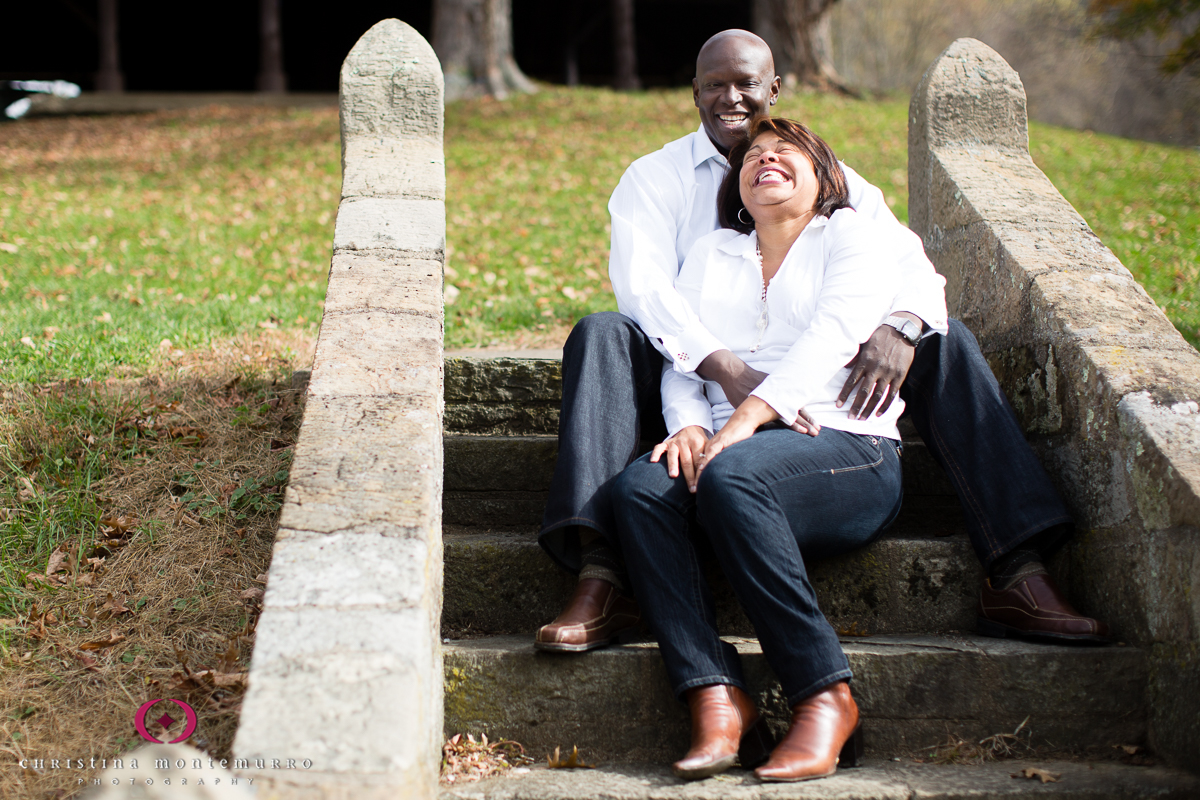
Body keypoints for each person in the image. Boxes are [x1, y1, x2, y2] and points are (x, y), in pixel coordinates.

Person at [532, 29, 1109, 654]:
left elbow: (910, 266)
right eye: (715, 85)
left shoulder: (820, 169)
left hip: (819, 383)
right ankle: (602, 575)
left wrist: (901, 327)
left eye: (747, 84)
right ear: (694, 92)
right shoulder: (653, 177)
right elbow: (643, 291)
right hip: (686, 368)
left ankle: (1017, 567)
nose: (731, 98)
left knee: (941, 337)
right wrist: (720, 368)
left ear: (773, 89)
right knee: (601, 333)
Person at [614, 116, 906, 782]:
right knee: (639, 491)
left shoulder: (851, 236)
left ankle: (824, 696)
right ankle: (715, 695)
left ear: (823, 175)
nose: (765, 159)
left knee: (734, 476)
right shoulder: (714, 253)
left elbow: (834, 334)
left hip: (844, 443)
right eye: (753, 157)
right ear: (737, 186)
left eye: (785, 152)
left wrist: (743, 421)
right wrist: (689, 425)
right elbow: (681, 357)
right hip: (729, 449)